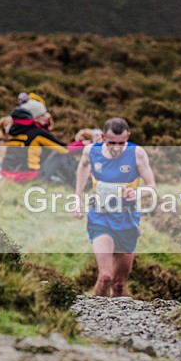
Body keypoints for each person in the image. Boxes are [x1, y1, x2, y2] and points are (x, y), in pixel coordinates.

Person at [73, 118, 156, 298]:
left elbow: (152, 187)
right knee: (105, 276)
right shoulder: (90, 151)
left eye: (121, 143)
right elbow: (83, 167)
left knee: (119, 285)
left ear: (128, 137)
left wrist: (138, 193)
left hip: (127, 219)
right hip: (100, 217)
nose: (117, 148)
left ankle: (121, 323)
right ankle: (97, 317)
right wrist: (77, 198)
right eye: (112, 143)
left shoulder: (137, 154)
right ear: (103, 137)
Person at [0, 96, 69, 183]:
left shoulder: (12, 132)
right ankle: (74, 184)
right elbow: (64, 149)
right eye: (42, 115)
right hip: (27, 176)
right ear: (34, 117)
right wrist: (81, 145)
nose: (46, 117)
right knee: (60, 155)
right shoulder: (37, 133)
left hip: (6, 175)